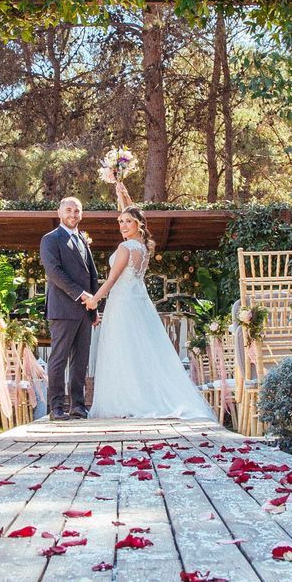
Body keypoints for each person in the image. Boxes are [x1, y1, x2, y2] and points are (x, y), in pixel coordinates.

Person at [87, 177, 217, 421]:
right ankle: (138, 397)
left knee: (123, 352)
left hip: (123, 304)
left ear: (138, 224)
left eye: (128, 222)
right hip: (138, 303)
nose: (123, 225)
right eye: (121, 222)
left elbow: (112, 280)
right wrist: (122, 194)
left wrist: (94, 300)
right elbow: (132, 212)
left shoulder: (126, 248)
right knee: (138, 351)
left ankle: (128, 401)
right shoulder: (143, 248)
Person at [38, 196, 99, 419]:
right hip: (63, 309)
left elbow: (91, 274)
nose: (73, 215)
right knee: (59, 359)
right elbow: (54, 272)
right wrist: (81, 294)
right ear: (60, 212)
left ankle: (78, 405)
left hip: (85, 311)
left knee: (80, 360)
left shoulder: (82, 239)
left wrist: (93, 308)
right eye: (69, 210)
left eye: (77, 211)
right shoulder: (50, 239)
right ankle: (56, 407)